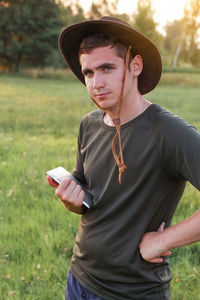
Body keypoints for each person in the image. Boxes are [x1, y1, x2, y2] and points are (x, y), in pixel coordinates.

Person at [47, 16, 200, 300]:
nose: (96, 83)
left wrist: (163, 240)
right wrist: (72, 200)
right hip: (79, 278)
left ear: (134, 66)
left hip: (132, 291)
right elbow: (88, 192)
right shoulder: (89, 124)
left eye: (107, 68)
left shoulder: (167, 131)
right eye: (89, 73)